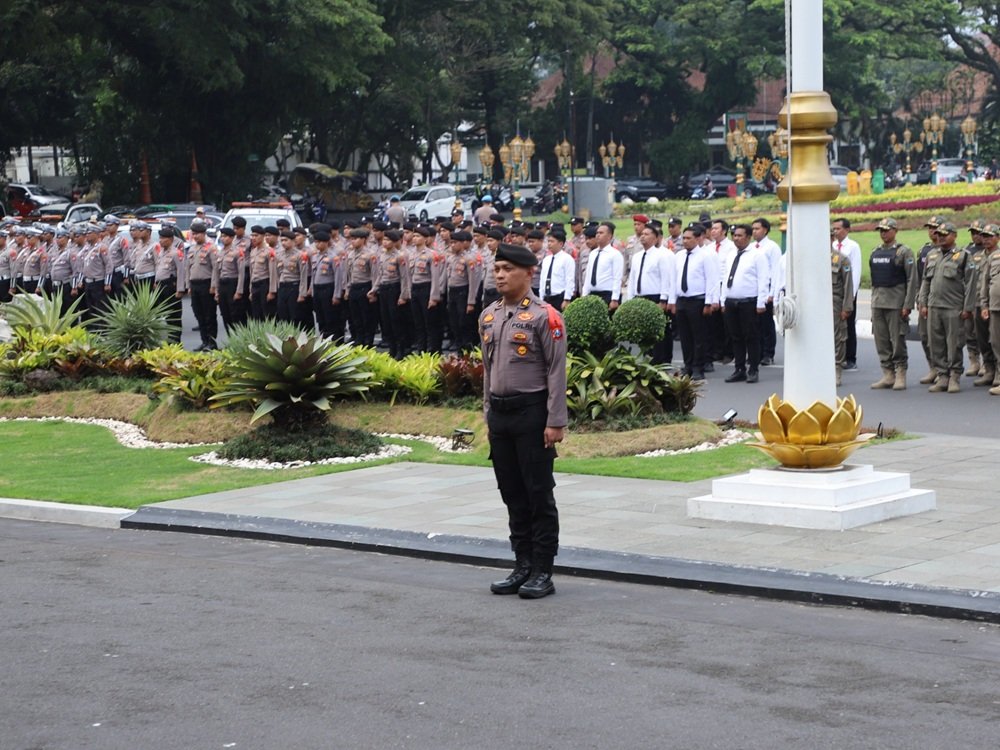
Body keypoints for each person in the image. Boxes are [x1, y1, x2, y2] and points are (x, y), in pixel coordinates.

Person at [479, 242, 567, 600]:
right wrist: (487, 413)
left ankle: (543, 569)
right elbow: (487, 371)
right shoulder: (488, 315)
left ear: (529, 273)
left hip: (533, 414)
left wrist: (555, 421)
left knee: (537, 493)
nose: (500, 275)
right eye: (496, 268)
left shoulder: (547, 316)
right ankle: (522, 564)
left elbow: (556, 371)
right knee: (511, 492)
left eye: (507, 269)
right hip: (500, 415)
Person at [919, 222, 976, 393]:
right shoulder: (932, 255)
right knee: (936, 343)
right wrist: (923, 302)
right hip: (934, 306)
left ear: (954, 235)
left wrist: (968, 308)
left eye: (945, 234)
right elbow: (926, 281)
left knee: (954, 344)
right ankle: (942, 376)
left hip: (953, 308)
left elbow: (971, 284)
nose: (941, 237)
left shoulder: (963, 256)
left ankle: (954, 377)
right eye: (939, 234)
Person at [868, 218, 917, 390]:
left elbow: (912, 279)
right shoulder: (875, 252)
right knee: (881, 340)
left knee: (897, 340)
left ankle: (900, 373)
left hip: (896, 303)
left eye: (887, 230)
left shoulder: (904, 252)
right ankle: (888, 374)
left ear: (895, 231)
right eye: (881, 230)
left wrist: (908, 304)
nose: (883, 233)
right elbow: (875, 281)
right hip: (878, 302)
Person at [669, 223, 720, 380]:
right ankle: (688, 365)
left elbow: (712, 280)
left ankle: (699, 366)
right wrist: (673, 301)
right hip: (682, 300)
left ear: (698, 239)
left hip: (698, 300)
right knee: (685, 336)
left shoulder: (706, 256)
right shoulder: (679, 256)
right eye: (683, 238)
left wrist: (709, 302)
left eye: (689, 238)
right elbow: (674, 280)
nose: (685, 241)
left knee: (699, 336)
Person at [719, 224, 767, 383]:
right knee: (735, 337)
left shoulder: (757, 255)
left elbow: (763, 279)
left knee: (751, 337)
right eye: (734, 235)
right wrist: (723, 299)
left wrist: (761, 302)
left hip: (749, 302)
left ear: (748, 237)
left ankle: (753, 369)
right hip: (731, 301)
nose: (736, 238)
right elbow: (726, 277)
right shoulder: (731, 254)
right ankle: (739, 369)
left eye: (739, 235)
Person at [627, 221, 675, 365]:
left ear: (655, 238)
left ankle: (663, 360)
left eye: (647, 234)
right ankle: (649, 359)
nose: (643, 237)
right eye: (642, 234)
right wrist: (631, 300)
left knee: (660, 332)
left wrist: (663, 299)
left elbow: (666, 278)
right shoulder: (637, 256)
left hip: (656, 297)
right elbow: (633, 279)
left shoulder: (661, 256)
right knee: (645, 332)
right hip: (641, 297)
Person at [916, 216, 944, 383]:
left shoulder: (953, 253)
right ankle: (933, 367)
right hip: (926, 299)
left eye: (935, 227)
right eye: (929, 227)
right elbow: (920, 278)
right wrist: (919, 299)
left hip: (944, 301)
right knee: (925, 335)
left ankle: (945, 371)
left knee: (941, 337)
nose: (932, 231)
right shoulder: (924, 251)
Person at [750, 218, 782, 366]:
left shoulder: (772, 247)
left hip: (767, 288)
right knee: (754, 325)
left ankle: (768, 353)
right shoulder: (751, 247)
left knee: (766, 324)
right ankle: (756, 352)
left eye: (757, 228)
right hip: (753, 289)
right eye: (753, 228)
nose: (754, 231)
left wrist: (772, 293)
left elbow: (776, 271)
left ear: (765, 230)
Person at [831, 218, 862, 370]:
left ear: (847, 229)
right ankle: (836, 356)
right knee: (835, 327)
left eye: (838, 229)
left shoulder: (853, 247)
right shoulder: (831, 246)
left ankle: (850, 357)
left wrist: (852, 295)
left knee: (848, 326)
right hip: (834, 293)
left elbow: (855, 272)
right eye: (834, 229)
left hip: (847, 293)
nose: (836, 232)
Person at [186, 220, 220, 350]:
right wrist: (188, 285)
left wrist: (213, 286)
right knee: (198, 313)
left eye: (198, 234)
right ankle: (204, 340)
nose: (195, 236)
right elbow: (188, 268)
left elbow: (215, 268)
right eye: (193, 234)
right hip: (195, 285)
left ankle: (212, 342)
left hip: (206, 284)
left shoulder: (211, 248)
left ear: (204, 234)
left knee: (209, 314)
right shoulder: (192, 248)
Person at [978, 223, 1000, 394]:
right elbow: (985, 283)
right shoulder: (988, 258)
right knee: (994, 341)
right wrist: (984, 305)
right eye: (984, 236)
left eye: (989, 236)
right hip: (994, 306)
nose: (986, 240)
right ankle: (994, 373)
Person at [581, 221, 624, 309]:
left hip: (607, 294)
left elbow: (617, 278)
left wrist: (615, 299)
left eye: (601, 233)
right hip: (592, 294)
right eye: (597, 233)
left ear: (610, 236)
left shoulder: (615, 254)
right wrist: (584, 295)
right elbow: (588, 276)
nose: (598, 235)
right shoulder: (593, 253)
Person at [831, 237, 855, 386]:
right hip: (816, 303)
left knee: (837, 336)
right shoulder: (812, 258)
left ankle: (836, 369)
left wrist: (847, 307)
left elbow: (848, 286)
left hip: (835, 301)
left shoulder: (841, 259)